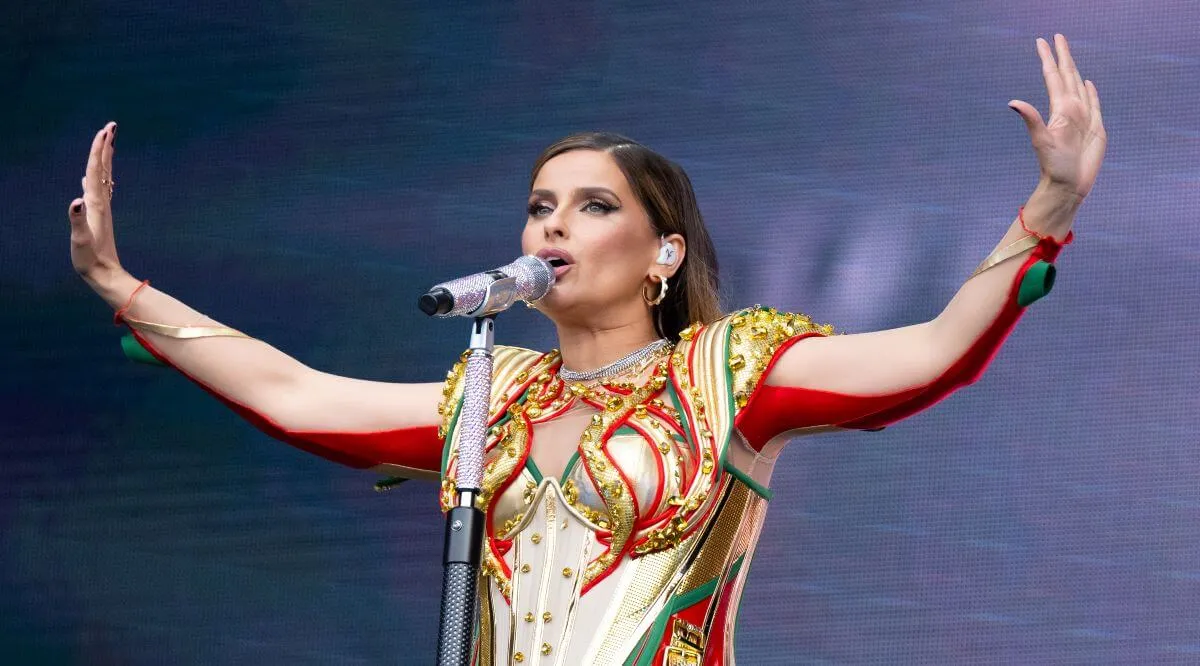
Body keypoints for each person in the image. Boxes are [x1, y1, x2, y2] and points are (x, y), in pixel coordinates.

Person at [68, 35, 1104, 665]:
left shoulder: (728, 374)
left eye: (591, 205)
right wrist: (126, 289)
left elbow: (934, 352)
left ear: (663, 252)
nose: (549, 230)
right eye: (537, 208)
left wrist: (1049, 205)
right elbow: (293, 394)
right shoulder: (492, 393)